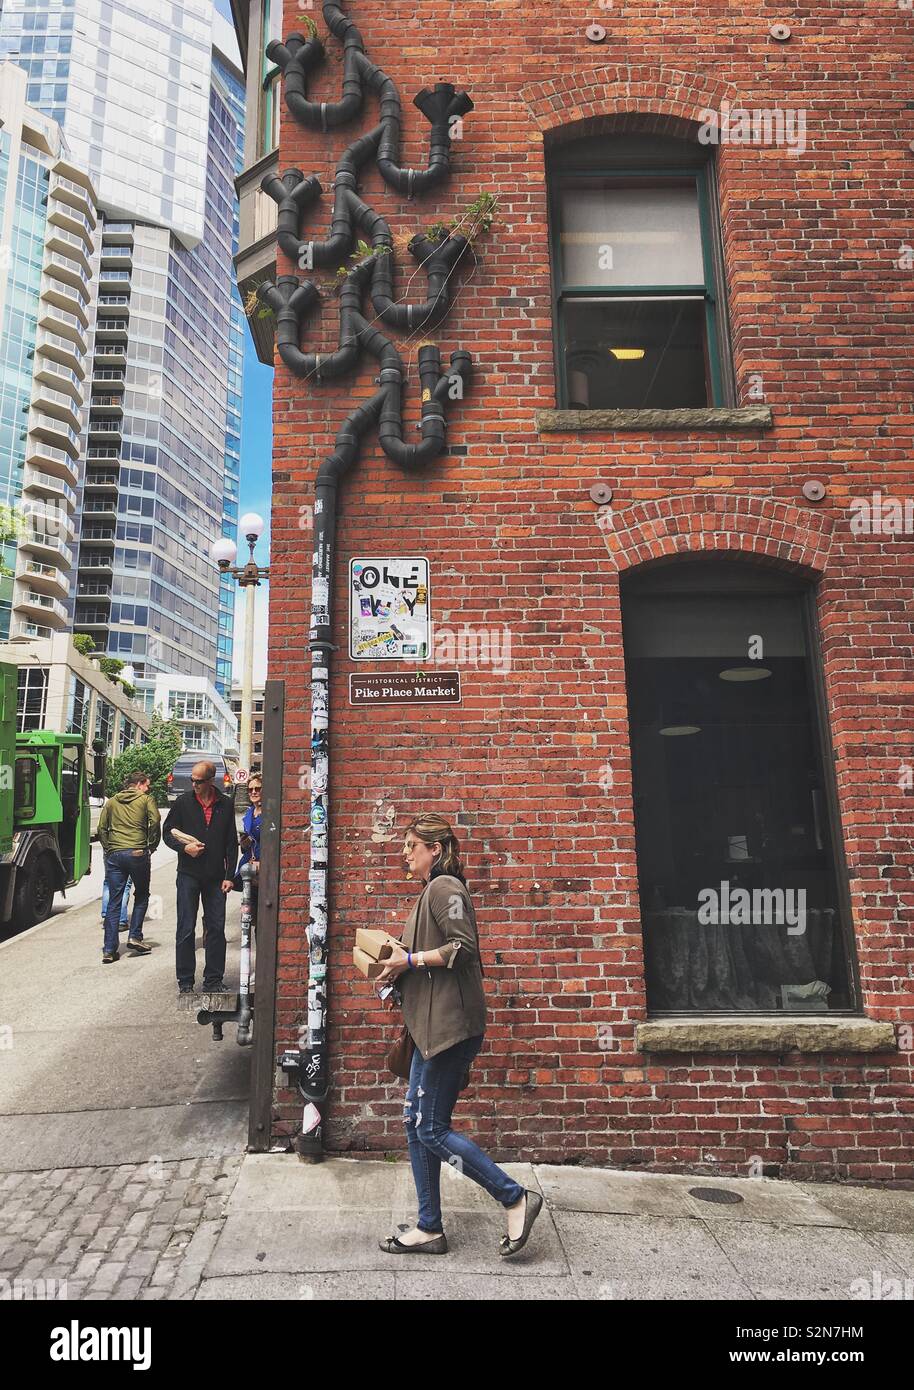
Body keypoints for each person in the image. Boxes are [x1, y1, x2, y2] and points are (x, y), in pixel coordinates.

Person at [375, 813, 543, 1258]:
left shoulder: (445, 887)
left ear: (435, 848)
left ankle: (515, 1197)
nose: (405, 853)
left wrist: (408, 962)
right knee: (416, 1126)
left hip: (447, 1031)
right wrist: (398, 973)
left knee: (429, 1127)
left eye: (412, 845)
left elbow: (462, 948)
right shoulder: (430, 892)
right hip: (429, 1028)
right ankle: (429, 1227)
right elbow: (429, 962)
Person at [163, 759, 238, 995]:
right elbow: (167, 833)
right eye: (192, 780)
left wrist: (229, 876)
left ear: (210, 781)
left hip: (216, 877)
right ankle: (185, 981)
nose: (193, 784)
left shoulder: (225, 805)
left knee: (216, 928)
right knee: (186, 927)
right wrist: (184, 848)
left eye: (198, 781)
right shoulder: (183, 803)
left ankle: (213, 979)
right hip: (189, 874)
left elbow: (231, 844)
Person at [96, 771, 160, 964]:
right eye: (146, 784)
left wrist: (109, 848)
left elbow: (101, 828)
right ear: (139, 784)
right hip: (138, 852)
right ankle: (135, 936)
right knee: (141, 894)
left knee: (114, 901)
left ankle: (109, 950)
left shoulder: (112, 802)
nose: (148, 788)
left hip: (115, 854)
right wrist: (151, 845)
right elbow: (155, 821)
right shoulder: (146, 799)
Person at [235, 774, 262, 920]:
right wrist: (244, 843)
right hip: (249, 867)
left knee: (261, 917)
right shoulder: (249, 812)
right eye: (250, 789)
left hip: (263, 868)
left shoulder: (269, 812)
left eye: (257, 788)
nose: (253, 792)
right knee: (248, 915)